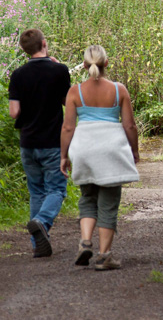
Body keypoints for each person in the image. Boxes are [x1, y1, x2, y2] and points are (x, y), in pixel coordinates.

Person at [61, 45, 140, 270]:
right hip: (111, 152)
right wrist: (134, 151)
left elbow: (67, 127)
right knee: (108, 203)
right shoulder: (119, 90)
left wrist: (64, 156)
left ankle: (85, 242)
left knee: (87, 198)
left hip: (84, 150)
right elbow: (129, 125)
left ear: (85, 66)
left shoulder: (74, 91)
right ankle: (104, 256)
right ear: (107, 63)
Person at [8, 29, 71, 258]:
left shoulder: (18, 74)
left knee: (36, 191)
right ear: (44, 43)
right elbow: (67, 101)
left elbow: (14, 112)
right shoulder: (59, 70)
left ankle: (38, 246)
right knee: (57, 189)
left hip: (27, 141)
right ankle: (42, 222)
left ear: (25, 50)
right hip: (52, 141)